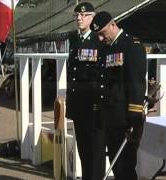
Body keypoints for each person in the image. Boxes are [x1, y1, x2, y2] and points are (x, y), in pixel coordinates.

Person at [90, 11, 146, 180]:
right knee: (117, 166)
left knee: (125, 167)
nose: (100, 38)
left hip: (125, 119)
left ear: (113, 25)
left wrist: (134, 117)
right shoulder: (106, 48)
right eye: (97, 35)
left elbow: (136, 82)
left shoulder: (131, 45)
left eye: (102, 33)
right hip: (110, 117)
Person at [65, 2, 105, 180]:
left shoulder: (99, 40)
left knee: (95, 151)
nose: (79, 18)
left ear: (92, 17)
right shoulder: (74, 39)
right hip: (78, 104)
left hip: (93, 104)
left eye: (83, 15)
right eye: (76, 16)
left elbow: (101, 73)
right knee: (83, 149)